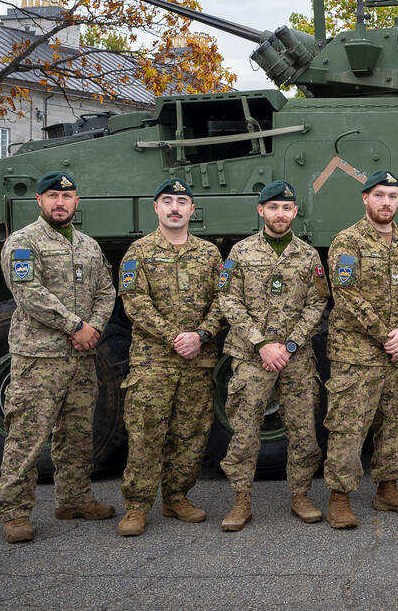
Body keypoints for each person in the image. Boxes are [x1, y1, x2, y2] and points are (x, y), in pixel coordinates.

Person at [0, 170, 117, 543]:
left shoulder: (88, 246)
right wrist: (75, 326)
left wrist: (93, 327)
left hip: (81, 357)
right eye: (52, 196)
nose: (60, 203)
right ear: (39, 201)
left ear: (77, 201)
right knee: (28, 436)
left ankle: (74, 498)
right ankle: (15, 512)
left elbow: (106, 291)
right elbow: (28, 293)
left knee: (78, 433)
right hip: (39, 358)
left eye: (67, 197)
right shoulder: (23, 242)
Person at [217, 181, 329, 531]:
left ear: (295, 212)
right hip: (252, 357)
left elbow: (317, 303)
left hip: (296, 357)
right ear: (261, 210)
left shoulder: (308, 255)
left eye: (287, 208)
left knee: (302, 430)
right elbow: (228, 300)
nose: (280, 214)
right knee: (245, 430)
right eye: (273, 207)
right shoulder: (240, 251)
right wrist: (261, 344)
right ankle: (241, 501)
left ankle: (300, 496)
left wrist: (290, 344)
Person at [116, 178, 225, 537]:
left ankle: (176, 497)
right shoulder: (139, 252)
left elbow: (222, 302)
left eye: (182, 201)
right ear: (156, 208)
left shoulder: (209, 254)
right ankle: (136, 505)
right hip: (153, 361)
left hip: (198, 359)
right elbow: (135, 303)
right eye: (168, 201)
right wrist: (175, 337)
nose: (175, 207)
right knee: (147, 434)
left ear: (192, 210)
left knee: (191, 433)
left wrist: (202, 335)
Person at [322, 170, 398, 529]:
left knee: (397, 422)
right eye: (379, 195)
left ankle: (388, 489)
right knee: (348, 426)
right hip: (357, 353)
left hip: (396, 353)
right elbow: (346, 296)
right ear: (365, 198)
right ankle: (339, 497)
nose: (386, 202)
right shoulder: (347, 242)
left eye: (393, 196)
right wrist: (387, 334)